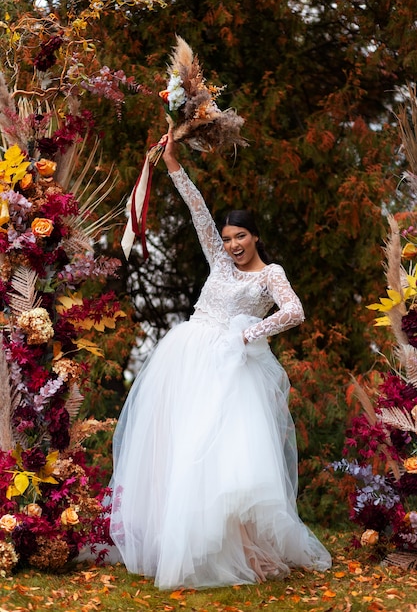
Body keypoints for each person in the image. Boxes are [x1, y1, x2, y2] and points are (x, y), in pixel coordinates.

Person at [109, 130, 332, 590]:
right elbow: (198, 212)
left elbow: (294, 310)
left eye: (241, 236)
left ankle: (244, 548)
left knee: (229, 456)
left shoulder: (270, 274)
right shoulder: (218, 261)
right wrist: (173, 163)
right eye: (228, 238)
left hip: (235, 367)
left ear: (256, 236)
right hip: (191, 357)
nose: (232, 244)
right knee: (186, 447)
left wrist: (252, 331)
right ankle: (188, 542)